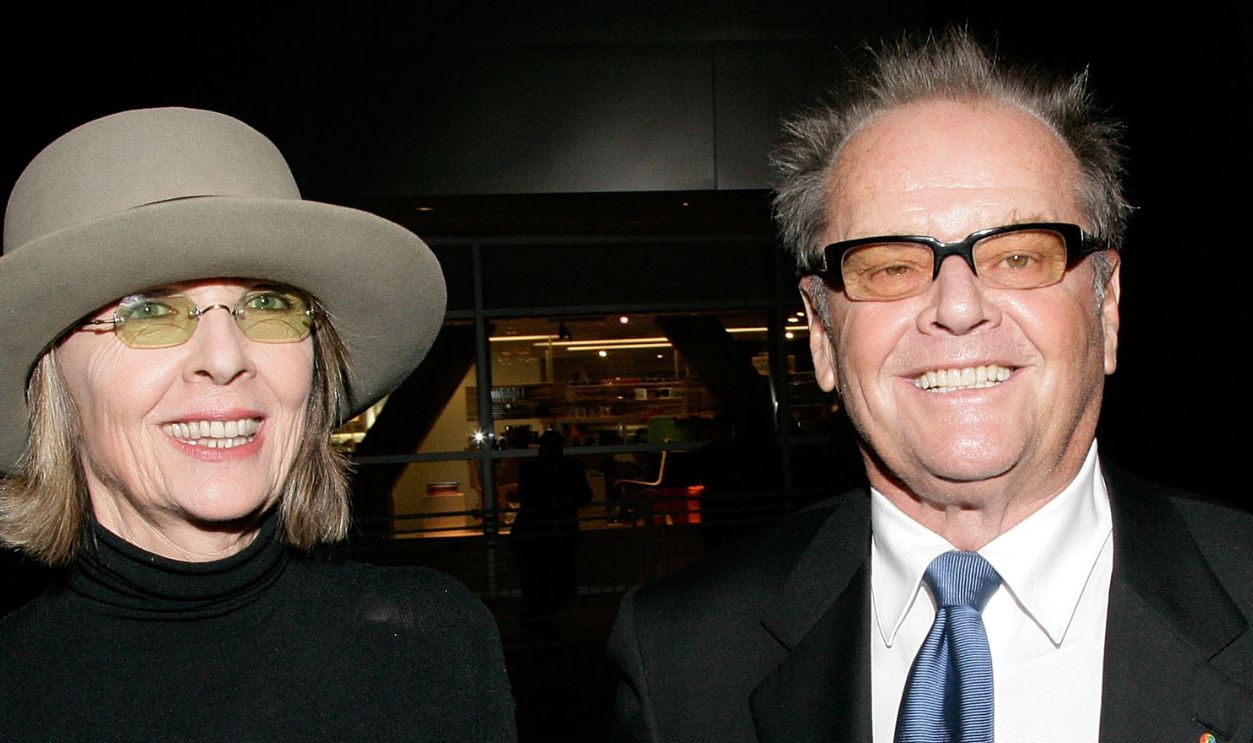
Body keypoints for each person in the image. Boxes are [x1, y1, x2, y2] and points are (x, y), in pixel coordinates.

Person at [608, 29, 1253, 743]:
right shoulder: (681, 655)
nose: (956, 305)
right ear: (821, 335)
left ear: (1105, 307)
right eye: (889, 266)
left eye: (1016, 254)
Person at [0, 108, 516, 741]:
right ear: (51, 377)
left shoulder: (432, 639)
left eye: (267, 305)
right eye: (151, 312)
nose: (225, 359)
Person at [511, 430, 592, 631]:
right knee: (548, 575)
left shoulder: (530, 469)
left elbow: (527, 497)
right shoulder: (570, 468)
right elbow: (584, 494)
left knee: (543, 576)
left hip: (541, 530)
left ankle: (539, 615)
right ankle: (542, 614)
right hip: (548, 530)